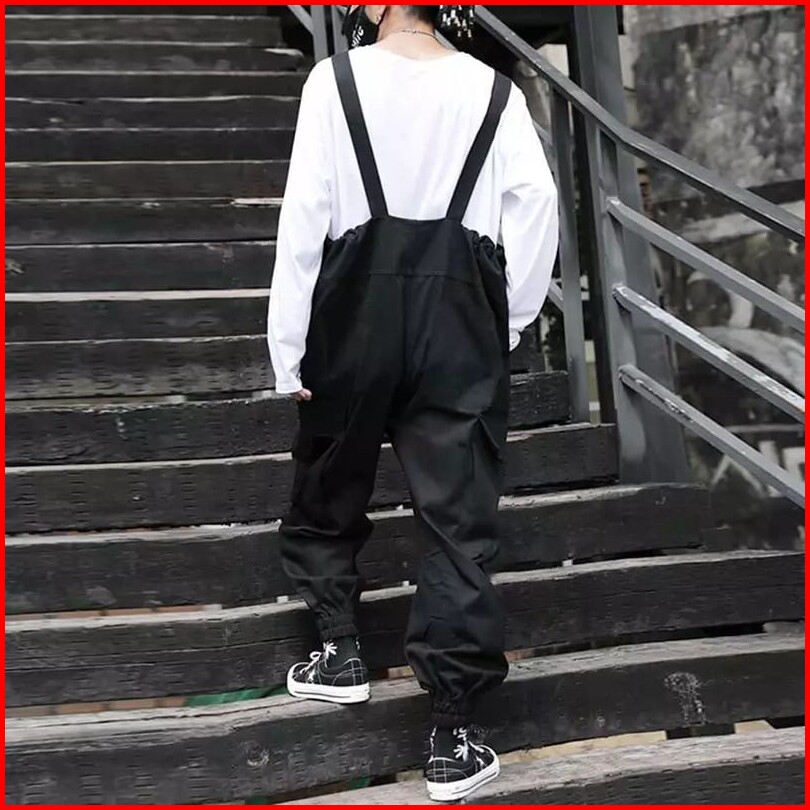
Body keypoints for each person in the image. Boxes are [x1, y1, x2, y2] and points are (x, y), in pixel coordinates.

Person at [267, 4, 558, 801]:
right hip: (460, 311)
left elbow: (305, 214)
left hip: (352, 307)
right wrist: (508, 319)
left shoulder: (333, 83)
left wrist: (287, 344)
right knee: (458, 520)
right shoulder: (494, 92)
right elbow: (536, 206)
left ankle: (339, 652)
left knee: (331, 474)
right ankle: (453, 737)